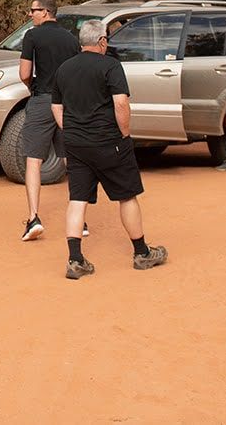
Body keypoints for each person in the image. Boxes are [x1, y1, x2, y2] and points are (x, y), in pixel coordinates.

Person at [51, 20, 167, 279]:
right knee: (127, 195)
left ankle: (75, 259)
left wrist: (69, 131)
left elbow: (56, 107)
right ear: (102, 41)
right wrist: (124, 134)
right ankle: (142, 253)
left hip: (76, 144)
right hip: (109, 142)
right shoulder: (111, 66)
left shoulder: (64, 69)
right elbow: (121, 104)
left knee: (77, 199)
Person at [19, 0, 80, 241]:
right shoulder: (71, 38)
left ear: (45, 12)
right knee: (69, 158)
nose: (30, 14)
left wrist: (33, 86)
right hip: (68, 103)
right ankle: (80, 218)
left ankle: (34, 217)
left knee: (33, 159)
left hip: (43, 99)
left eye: (33, 10)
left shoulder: (32, 36)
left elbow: (24, 72)